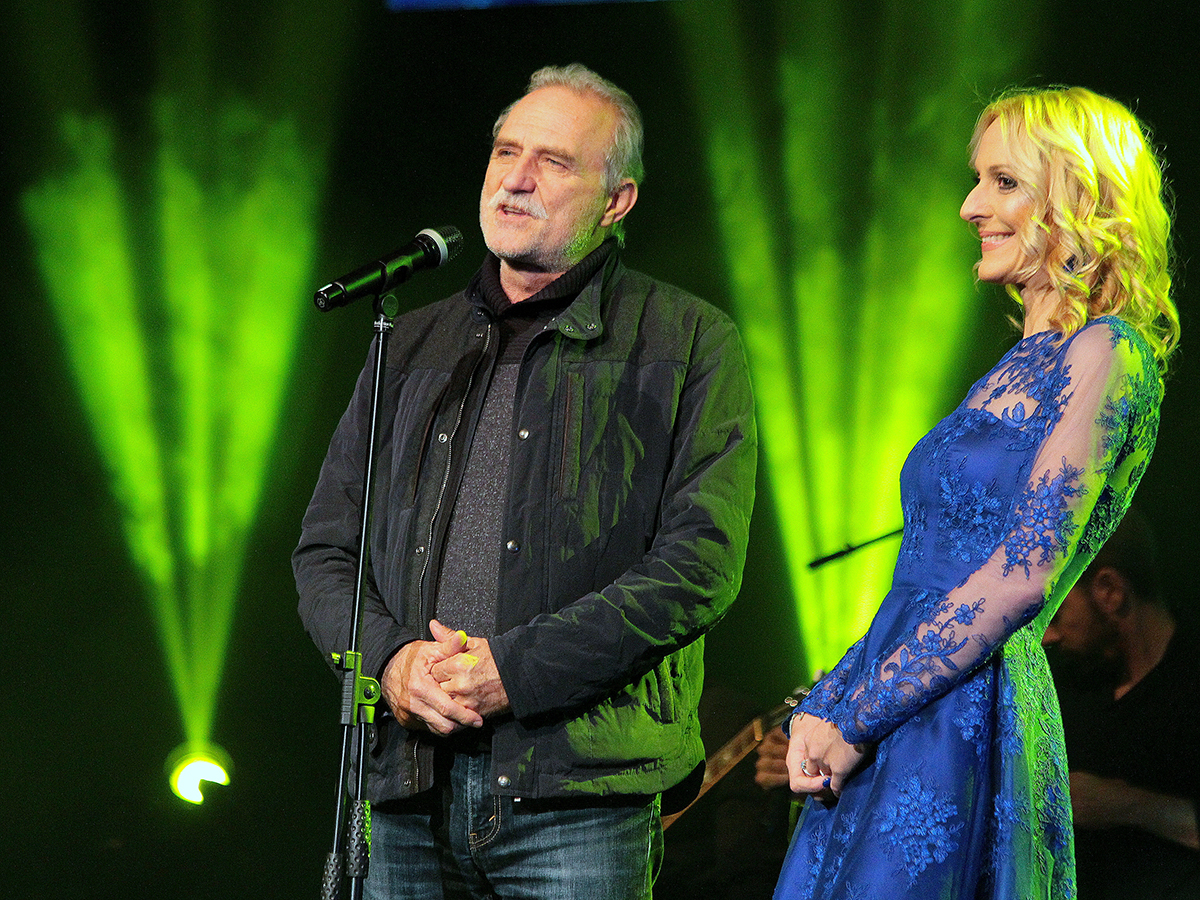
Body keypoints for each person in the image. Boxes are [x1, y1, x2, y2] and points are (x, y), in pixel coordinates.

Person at [293, 63, 756, 900]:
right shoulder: (409, 342)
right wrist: (390, 662)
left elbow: (702, 563)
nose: (516, 178)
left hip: (580, 797)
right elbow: (326, 551)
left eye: (554, 161)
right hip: (405, 787)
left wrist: (518, 669)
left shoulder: (688, 339)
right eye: (506, 152)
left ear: (616, 201)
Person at [773, 86, 1179, 900]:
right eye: (976, 180)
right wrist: (827, 701)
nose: (969, 207)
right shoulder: (1008, 370)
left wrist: (858, 714)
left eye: (1003, 182)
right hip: (905, 697)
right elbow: (917, 581)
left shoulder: (1108, 352)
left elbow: (1025, 572)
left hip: (963, 708)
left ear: (1080, 195)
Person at [1042, 509, 1200, 898]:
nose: (1049, 636)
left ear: (1109, 591)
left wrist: (1124, 804)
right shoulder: (1074, 680)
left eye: (1059, 613)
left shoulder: (1188, 681)